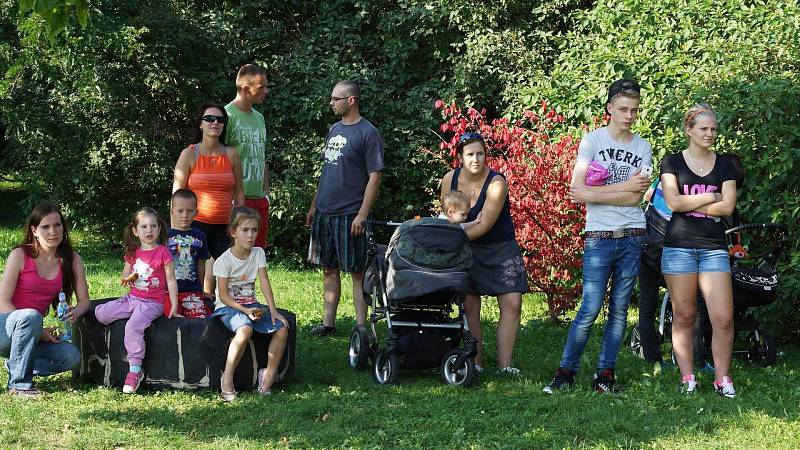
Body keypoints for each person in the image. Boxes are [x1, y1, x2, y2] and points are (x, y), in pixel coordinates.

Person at [545, 79, 652, 394]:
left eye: (634, 109)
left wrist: (599, 192)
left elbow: (636, 199)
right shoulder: (591, 141)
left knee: (619, 308)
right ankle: (565, 373)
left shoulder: (642, 146)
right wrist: (622, 188)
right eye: (623, 108)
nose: (629, 115)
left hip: (633, 234)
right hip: (599, 236)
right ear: (609, 108)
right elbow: (577, 193)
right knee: (590, 307)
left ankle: (605, 375)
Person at [659, 104, 738, 397]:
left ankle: (722, 379)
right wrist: (710, 196)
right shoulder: (672, 163)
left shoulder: (725, 165)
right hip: (679, 247)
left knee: (723, 317)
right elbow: (674, 203)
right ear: (689, 130)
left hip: (713, 248)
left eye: (713, 129)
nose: (710, 134)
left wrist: (692, 200)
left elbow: (728, 207)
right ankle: (687, 377)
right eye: (704, 129)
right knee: (684, 315)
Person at [439, 133, 528, 375]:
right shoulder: (450, 179)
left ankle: (505, 366)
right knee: (470, 306)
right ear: (460, 157)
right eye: (469, 154)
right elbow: (448, 217)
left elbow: (483, 225)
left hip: (500, 247)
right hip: (466, 250)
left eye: (480, 153)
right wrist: (446, 237)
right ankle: (475, 362)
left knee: (512, 303)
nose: (476, 159)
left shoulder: (497, 182)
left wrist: (450, 236)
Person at [306, 80, 384, 336]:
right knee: (328, 269)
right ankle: (328, 323)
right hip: (324, 212)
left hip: (350, 214)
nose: (331, 103)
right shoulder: (334, 129)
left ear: (351, 100)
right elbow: (327, 170)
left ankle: (361, 327)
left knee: (357, 272)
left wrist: (362, 214)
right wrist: (314, 205)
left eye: (335, 99)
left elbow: (375, 176)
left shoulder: (367, 132)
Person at [0, 204, 91, 398]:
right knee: (31, 316)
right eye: (45, 227)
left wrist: (76, 312)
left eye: (57, 225)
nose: (53, 232)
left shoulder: (72, 260)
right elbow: (3, 302)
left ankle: (17, 363)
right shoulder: (20, 255)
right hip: (5, 329)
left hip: (33, 333)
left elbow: (84, 300)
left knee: (71, 356)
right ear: (34, 230)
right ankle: (19, 385)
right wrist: (38, 331)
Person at [94, 207, 180, 394]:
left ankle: (135, 371)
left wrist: (173, 304)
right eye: (144, 226)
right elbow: (125, 274)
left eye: (153, 226)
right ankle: (128, 316)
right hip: (132, 298)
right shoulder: (133, 252)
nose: (149, 230)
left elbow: (171, 280)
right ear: (135, 231)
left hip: (152, 303)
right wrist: (128, 277)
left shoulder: (163, 252)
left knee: (132, 328)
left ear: (159, 229)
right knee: (101, 313)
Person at [211, 207, 289, 401]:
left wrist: (272, 310)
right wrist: (246, 311)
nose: (251, 235)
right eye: (245, 230)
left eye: (254, 230)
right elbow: (223, 295)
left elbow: (264, 282)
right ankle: (227, 378)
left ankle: (268, 376)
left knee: (282, 328)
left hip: (252, 305)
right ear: (233, 232)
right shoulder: (223, 261)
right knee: (245, 329)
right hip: (227, 308)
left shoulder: (258, 253)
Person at [173, 103, 245, 294]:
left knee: (230, 271)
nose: (215, 123)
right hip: (194, 225)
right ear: (200, 124)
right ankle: (192, 309)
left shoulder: (231, 154)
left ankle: (226, 310)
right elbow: (177, 196)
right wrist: (176, 232)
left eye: (220, 120)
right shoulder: (189, 153)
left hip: (224, 226)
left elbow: (239, 192)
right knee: (191, 273)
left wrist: (240, 224)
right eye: (210, 119)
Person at [225, 64, 271, 249]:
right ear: (246, 89)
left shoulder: (259, 117)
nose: (266, 91)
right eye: (261, 87)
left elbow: (261, 155)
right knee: (231, 257)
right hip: (236, 199)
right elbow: (218, 158)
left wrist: (266, 194)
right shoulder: (227, 115)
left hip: (259, 198)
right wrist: (230, 198)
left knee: (256, 255)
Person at [166, 189, 211, 318]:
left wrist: (202, 290)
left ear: (196, 212)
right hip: (167, 292)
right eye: (180, 211)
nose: (185, 215)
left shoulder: (200, 236)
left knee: (200, 318)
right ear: (172, 211)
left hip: (192, 292)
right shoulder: (165, 236)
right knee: (171, 316)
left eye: (189, 211)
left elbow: (201, 265)